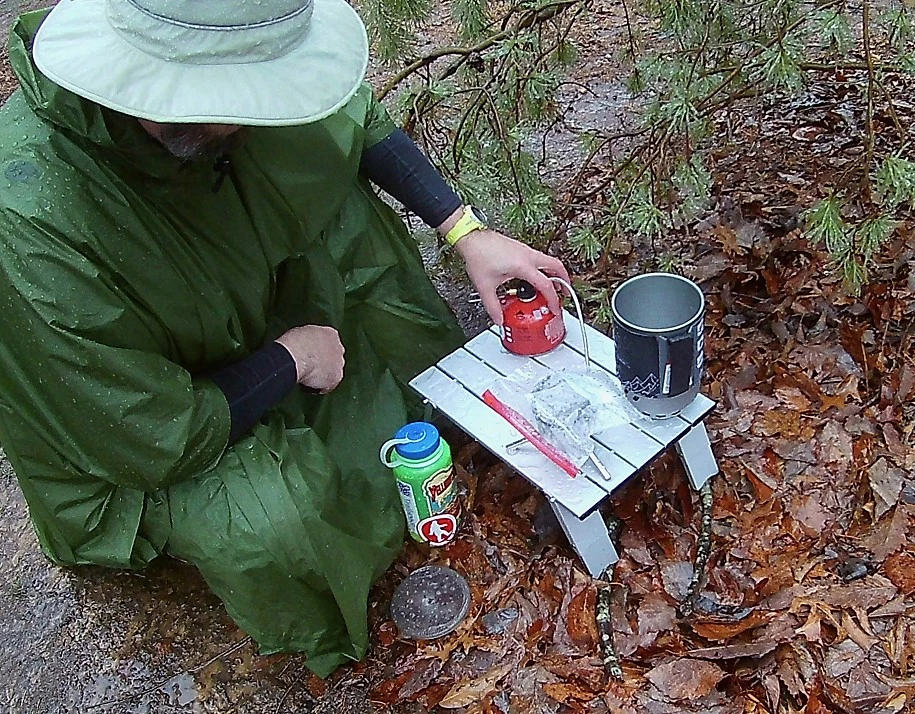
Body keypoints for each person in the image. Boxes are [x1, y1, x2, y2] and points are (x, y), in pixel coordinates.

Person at [0, 0, 570, 676]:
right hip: (141, 429)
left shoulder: (227, 88)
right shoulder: (31, 222)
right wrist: (290, 359)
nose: (261, 116)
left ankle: (401, 411)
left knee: (345, 218)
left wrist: (465, 231)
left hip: (240, 293)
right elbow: (151, 433)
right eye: (246, 102)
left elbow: (353, 122)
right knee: (277, 530)